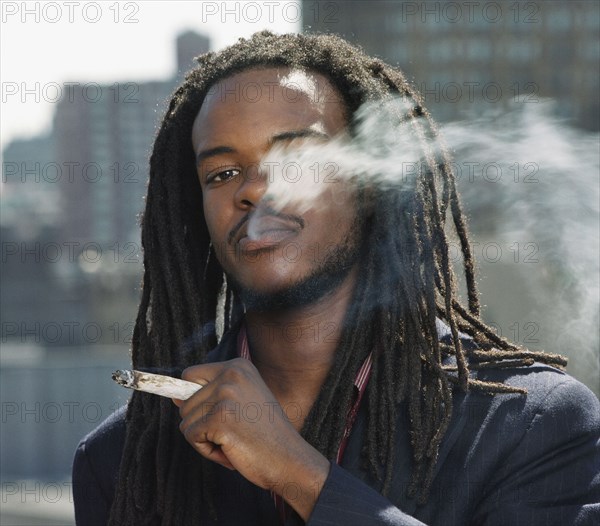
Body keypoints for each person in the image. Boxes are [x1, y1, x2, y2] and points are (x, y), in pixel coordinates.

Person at [72, 31, 600, 526]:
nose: (254, 189)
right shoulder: (122, 459)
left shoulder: (532, 424)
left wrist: (299, 475)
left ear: (370, 185)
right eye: (223, 173)